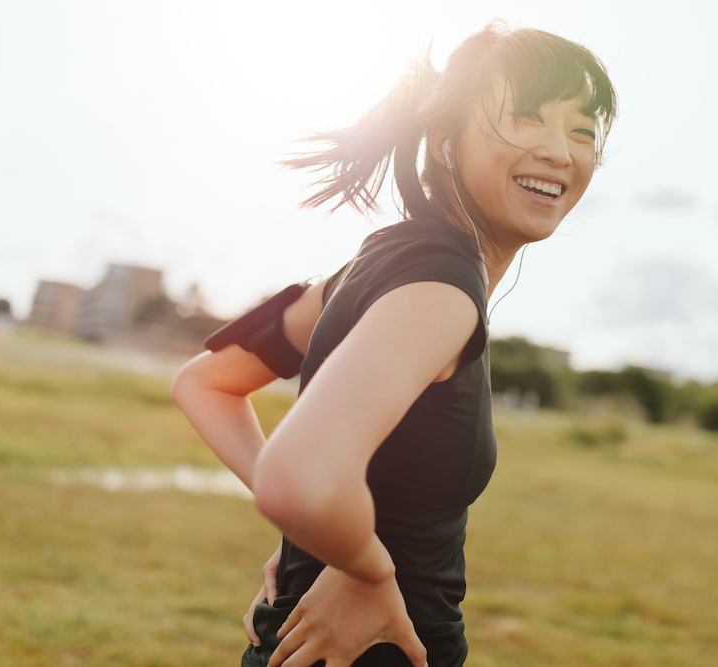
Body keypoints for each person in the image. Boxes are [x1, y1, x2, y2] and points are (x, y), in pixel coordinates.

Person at [171, 21, 615, 667]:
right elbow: (298, 475)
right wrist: (365, 570)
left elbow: (202, 382)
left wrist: (325, 533)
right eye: (525, 118)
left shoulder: (376, 264)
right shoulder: (440, 289)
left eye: (582, 131)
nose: (559, 151)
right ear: (444, 142)